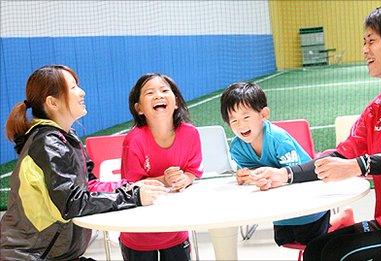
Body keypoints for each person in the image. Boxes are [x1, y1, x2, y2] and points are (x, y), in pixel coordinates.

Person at [251, 1, 381, 260]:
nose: (364, 50)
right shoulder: (378, 107)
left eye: (371, 41)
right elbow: (341, 156)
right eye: (364, 42)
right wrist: (284, 174)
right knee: (317, 249)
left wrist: (360, 165)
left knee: (342, 255)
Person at [0, 65, 168, 261]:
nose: (82, 92)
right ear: (53, 103)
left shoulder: (66, 137)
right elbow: (72, 203)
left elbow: (90, 185)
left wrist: (130, 187)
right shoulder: (48, 143)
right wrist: (133, 197)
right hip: (30, 256)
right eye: (73, 87)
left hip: (56, 255)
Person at [220, 82, 330, 246]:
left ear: (263, 114)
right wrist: (246, 177)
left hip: (310, 205)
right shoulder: (237, 147)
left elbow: (294, 176)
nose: (241, 125)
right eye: (233, 121)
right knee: (283, 241)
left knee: (311, 246)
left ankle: (338, 220)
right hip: (280, 211)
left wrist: (264, 179)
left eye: (246, 117)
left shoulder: (278, 139)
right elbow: (251, 172)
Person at [119, 73, 203, 261]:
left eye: (165, 90)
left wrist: (185, 179)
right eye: (150, 93)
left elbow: (193, 171)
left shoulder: (190, 134)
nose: (158, 95)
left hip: (175, 229)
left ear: (176, 102)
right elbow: (130, 185)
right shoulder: (133, 140)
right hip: (139, 233)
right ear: (139, 108)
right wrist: (164, 180)